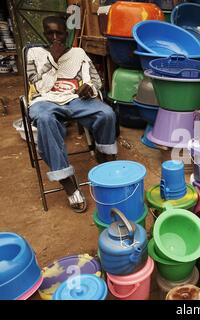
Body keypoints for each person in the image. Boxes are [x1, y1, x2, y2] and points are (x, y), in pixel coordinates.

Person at [27, 16, 117, 213]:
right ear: (44, 34)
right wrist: (53, 59)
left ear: (66, 35)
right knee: (45, 119)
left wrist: (89, 88)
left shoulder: (78, 52)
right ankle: (67, 182)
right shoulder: (34, 53)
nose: (54, 37)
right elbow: (38, 86)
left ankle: (102, 155)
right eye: (49, 33)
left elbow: (96, 81)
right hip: (45, 100)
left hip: (76, 99)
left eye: (59, 33)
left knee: (106, 113)